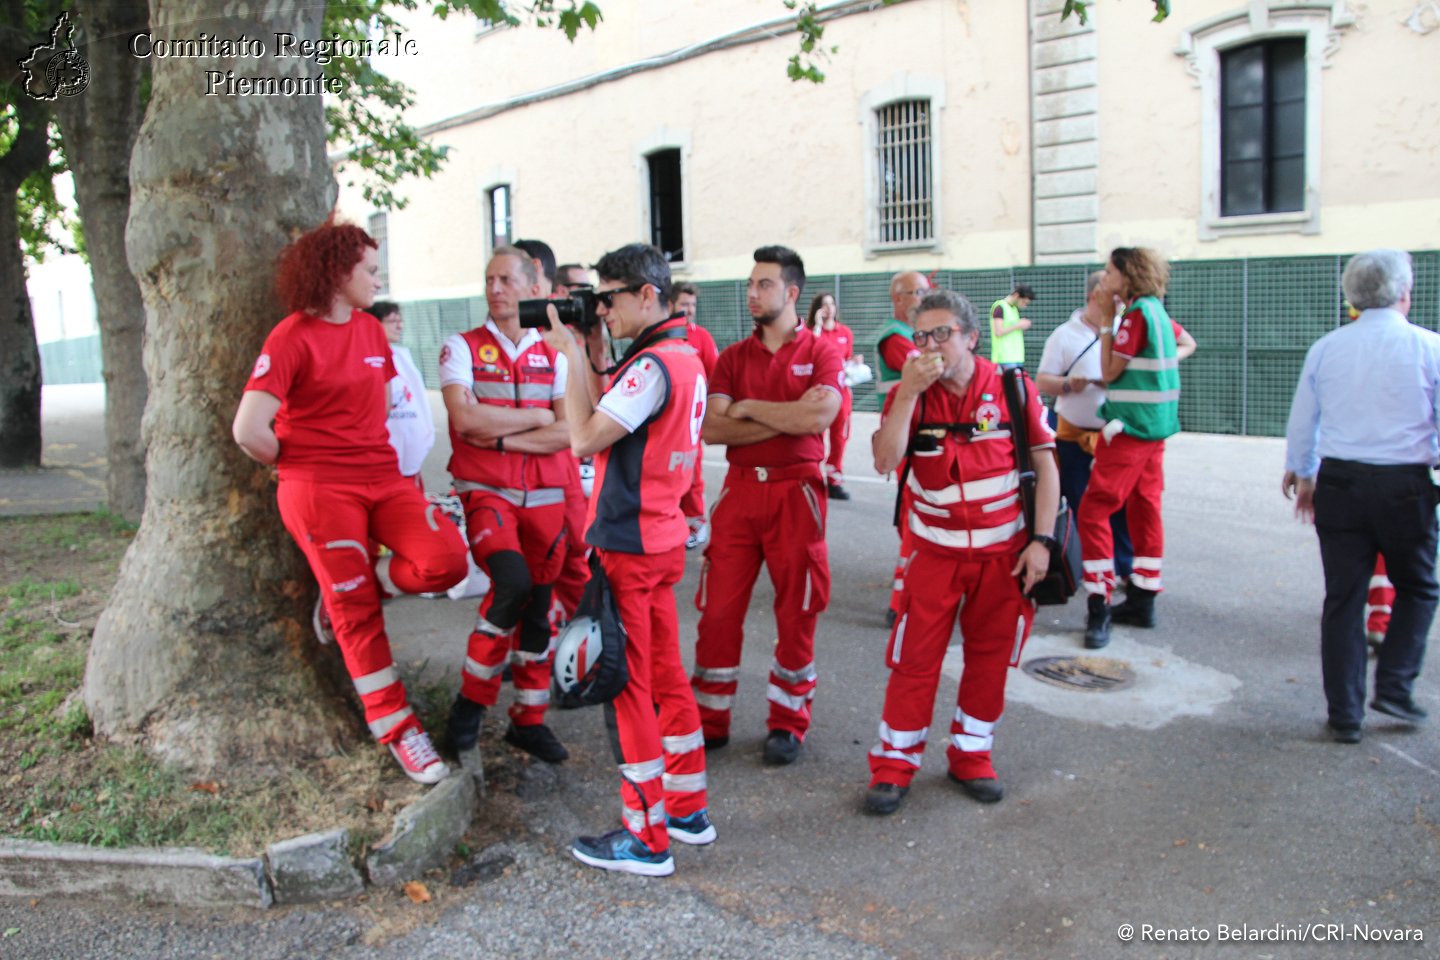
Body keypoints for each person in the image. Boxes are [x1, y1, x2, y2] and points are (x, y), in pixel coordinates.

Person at [232, 219, 468, 784]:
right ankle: (397, 728)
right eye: (368, 268)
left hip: (384, 478)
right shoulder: (290, 336)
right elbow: (248, 429)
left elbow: (385, 399)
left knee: (447, 563)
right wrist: (296, 463)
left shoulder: (368, 330)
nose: (377, 277)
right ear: (337, 273)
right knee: (355, 613)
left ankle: (365, 581)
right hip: (318, 489)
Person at [542, 242, 712, 876]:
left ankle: (646, 835)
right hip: (660, 538)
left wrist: (565, 358)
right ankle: (688, 808)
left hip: (629, 545)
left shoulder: (651, 366)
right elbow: (611, 408)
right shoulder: (681, 355)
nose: (601, 309)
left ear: (648, 295)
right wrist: (588, 352)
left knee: (630, 688)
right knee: (667, 676)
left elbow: (584, 436)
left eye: (609, 298)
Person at [865, 289, 1057, 815]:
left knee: (991, 660)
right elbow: (885, 460)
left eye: (943, 333)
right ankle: (893, 765)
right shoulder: (911, 392)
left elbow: (1046, 467)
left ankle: (972, 755)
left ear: (972, 338)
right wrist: (905, 395)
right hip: (931, 557)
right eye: (921, 336)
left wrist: (1042, 542)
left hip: (1005, 558)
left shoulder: (1013, 388)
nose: (930, 345)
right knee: (914, 663)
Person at [692, 245, 842, 766]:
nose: (751, 293)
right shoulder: (732, 357)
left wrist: (750, 408)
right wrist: (789, 413)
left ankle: (788, 722)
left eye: (763, 285)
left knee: (798, 609)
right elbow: (711, 428)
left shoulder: (822, 351)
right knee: (718, 611)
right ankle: (710, 717)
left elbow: (818, 419)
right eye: (751, 285)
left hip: (797, 493)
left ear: (792, 292)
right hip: (739, 492)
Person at [1283, 248, 1439, 744]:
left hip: (1341, 484)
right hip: (1405, 485)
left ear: (1351, 296)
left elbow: (1305, 419)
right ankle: (1393, 683)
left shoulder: (1327, 348)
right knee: (1419, 585)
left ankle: (1345, 714)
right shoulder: (1429, 347)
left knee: (1343, 599)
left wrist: (1303, 475)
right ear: (1404, 294)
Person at [438, 245, 574, 764]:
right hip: (487, 494)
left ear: (532, 288)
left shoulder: (555, 352)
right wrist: (536, 418)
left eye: (505, 280)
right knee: (511, 585)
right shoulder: (461, 347)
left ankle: (529, 720)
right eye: (489, 280)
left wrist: (498, 436)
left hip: (545, 499)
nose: (495, 289)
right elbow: (465, 421)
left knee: (540, 609)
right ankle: (469, 706)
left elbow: (568, 432)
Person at [1036, 272, 1198, 629]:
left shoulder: (1134, 321)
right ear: (1095, 296)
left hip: (1122, 434)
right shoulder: (1068, 334)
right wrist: (1067, 384)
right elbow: (1043, 380)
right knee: (1095, 510)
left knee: (1118, 513)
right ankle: (1118, 587)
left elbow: (1114, 372)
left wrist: (1156, 362)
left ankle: (1118, 585)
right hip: (1084, 436)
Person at [1078, 247, 1184, 650]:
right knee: (1144, 507)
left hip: (1131, 430)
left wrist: (1107, 319)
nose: (1104, 279)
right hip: (1155, 430)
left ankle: (1099, 603)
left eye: (1109, 272)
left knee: (1094, 510)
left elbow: (1108, 372)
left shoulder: (1136, 316)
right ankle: (1143, 596)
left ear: (1127, 275)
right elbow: (1182, 343)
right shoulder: (1158, 312)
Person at [875, 271, 933, 626]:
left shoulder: (915, 335)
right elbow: (928, 370)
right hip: (907, 438)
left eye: (927, 292)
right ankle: (902, 600)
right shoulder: (895, 338)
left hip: (922, 436)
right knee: (914, 519)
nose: (924, 298)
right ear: (898, 298)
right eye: (917, 293)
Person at [670, 282, 720, 549]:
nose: (689, 310)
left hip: (692, 421)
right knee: (667, 471)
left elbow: (715, 377)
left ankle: (696, 523)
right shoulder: (662, 335)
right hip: (666, 420)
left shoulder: (702, 337)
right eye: (683, 304)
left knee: (691, 472)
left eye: (692, 305)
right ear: (670, 305)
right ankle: (673, 522)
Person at [374, 301, 435, 487]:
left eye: (400, 320)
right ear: (374, 324)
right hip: (384, 468)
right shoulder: (371, 360)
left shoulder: (402, 356)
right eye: (392, 321)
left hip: (411, 466)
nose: (399, 326)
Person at [805, 292, 859, 501]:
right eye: (824, 305)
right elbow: (809, 352)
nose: (828, 308)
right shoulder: (811, 333)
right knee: (814, 436)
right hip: (818, 392)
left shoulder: (844, 332)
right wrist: (817, 326)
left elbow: (846, 358)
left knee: (840, 437)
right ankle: (812, 476)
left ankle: (834, 479)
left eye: (831, 304)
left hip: (842, 392)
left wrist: (855, 361)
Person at [989, 284, 1035, 370]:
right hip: (1004, 359)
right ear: (1017, 296)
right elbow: (998, 331)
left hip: (1016, 358)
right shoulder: (1000, 307)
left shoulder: (1014, 309)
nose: (1024, 305)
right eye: (1024, 302)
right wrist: (1018, 325)